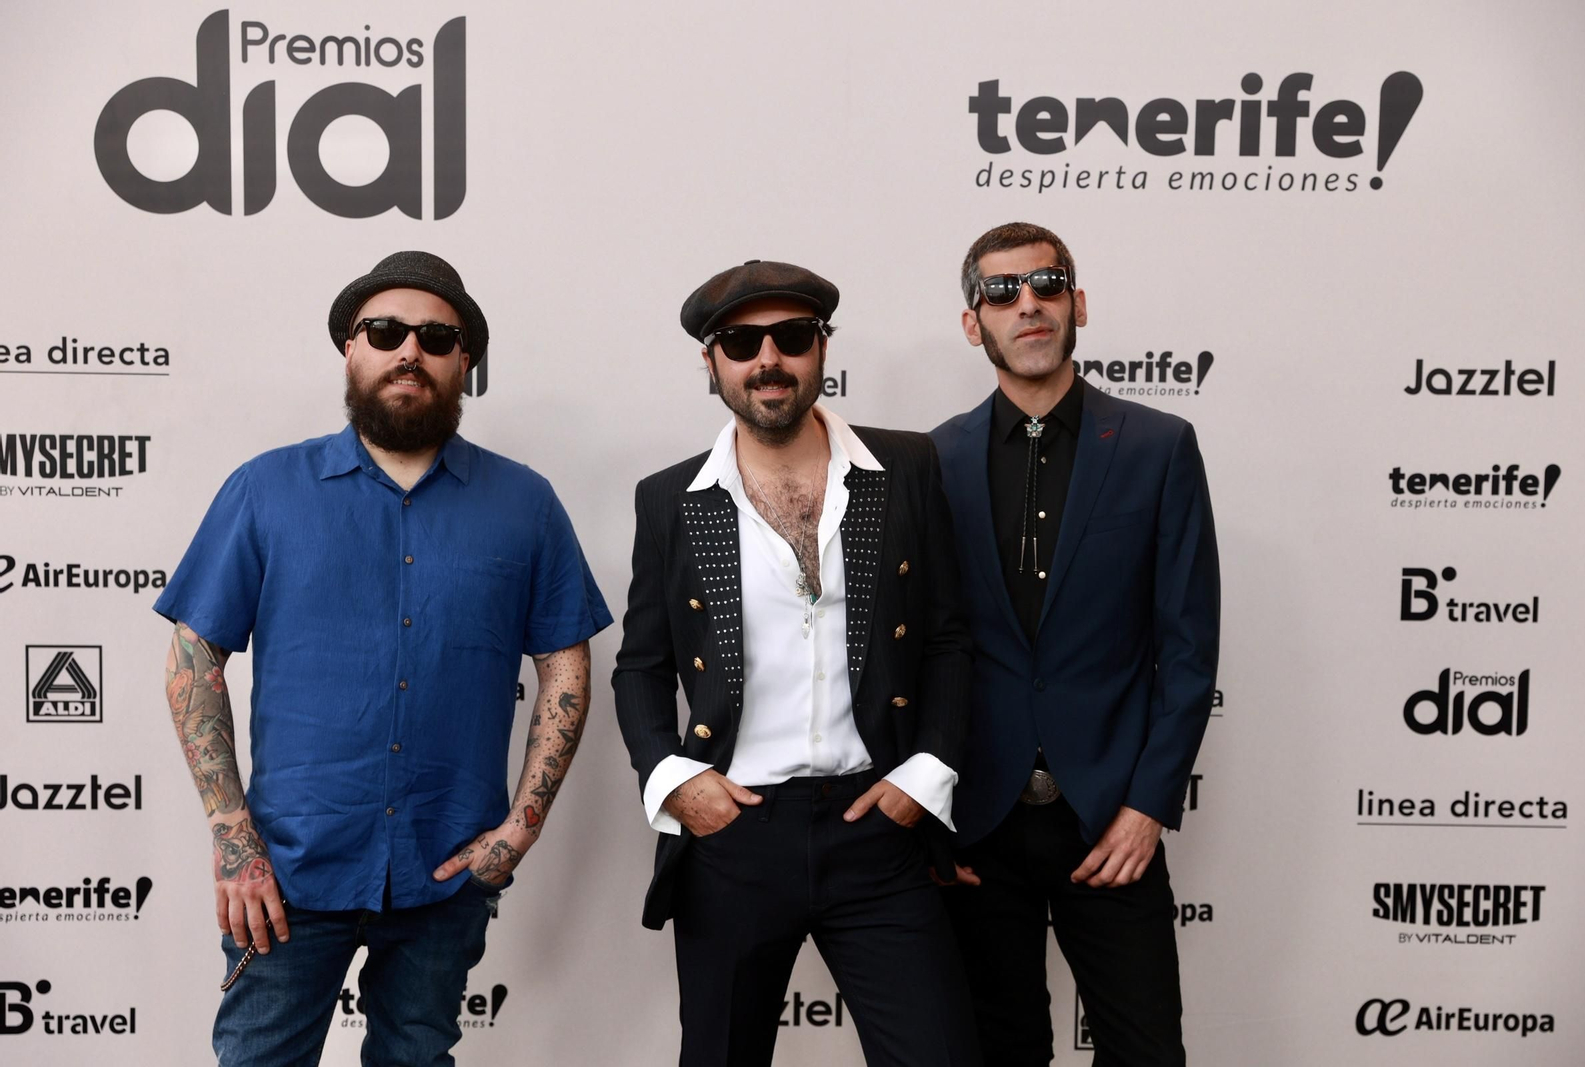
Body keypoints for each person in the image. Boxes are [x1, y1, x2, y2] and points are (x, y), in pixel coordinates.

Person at [154, 250, 611, 1066]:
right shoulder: (265, 489)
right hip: (287, 874)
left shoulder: (527, 504)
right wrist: (233, 837)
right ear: (350, 348)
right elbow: (193, 659)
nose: (410, 350)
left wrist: (521, 828)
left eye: (436, 338)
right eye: (386, 331)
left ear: (464, 363)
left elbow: (567, 667)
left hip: (445, 871)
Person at [612, 259, 981, 1066]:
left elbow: (949, 638)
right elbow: (640, 665)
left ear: (822, 348)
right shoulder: (672, 499)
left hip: (877, 826)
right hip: (733, 834)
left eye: (791, 336)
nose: (768, 358)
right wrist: (674, 780)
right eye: (742, 342)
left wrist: (924, 776)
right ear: (711, 361)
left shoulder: (905, 467)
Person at [930, 222, 1221, 1066]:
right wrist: (930, 821)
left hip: (1111, 820)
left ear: (1077, 303)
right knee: (998, 1050)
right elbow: (916, 652)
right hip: (976, 827)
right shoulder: (932, 459)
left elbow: (1189, 649)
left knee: (1145, 1050)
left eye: (1047, 284)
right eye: (1002, 291)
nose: (1028, 303)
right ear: (973, 322)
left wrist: (1148, 807)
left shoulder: (1159, 447)